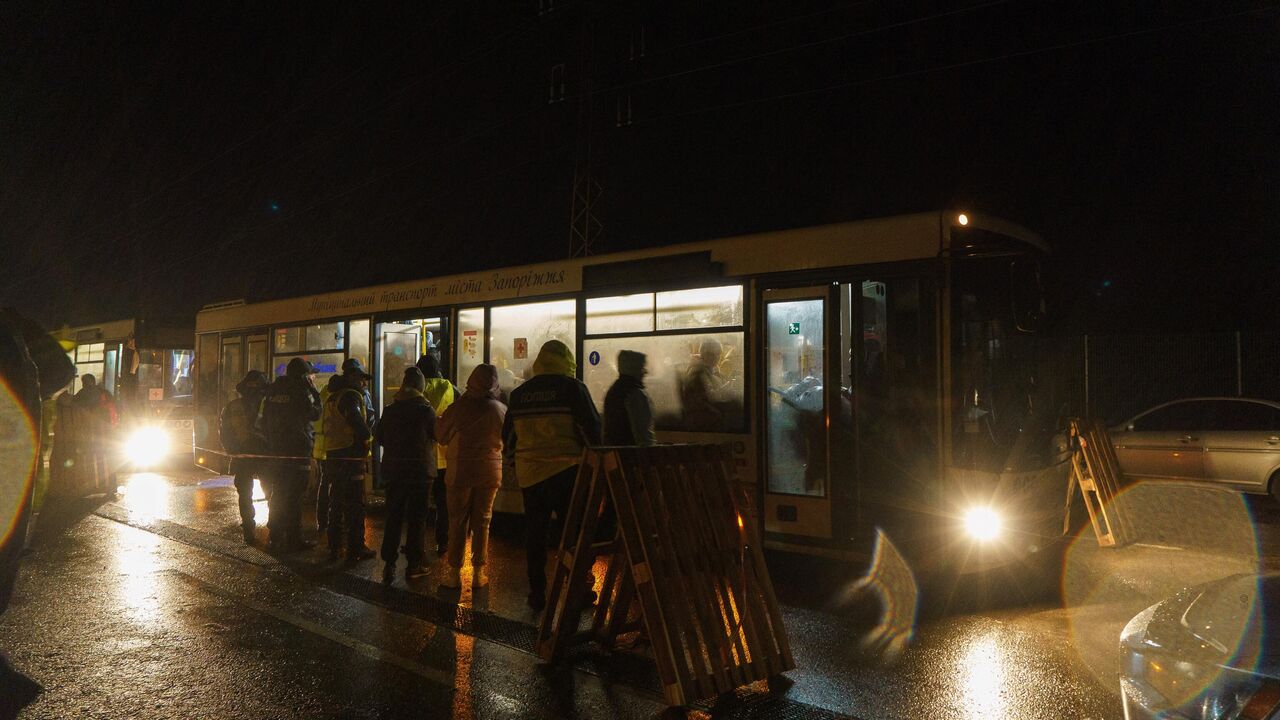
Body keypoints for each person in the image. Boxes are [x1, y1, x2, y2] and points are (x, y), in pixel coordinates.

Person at [503, 340, 601, 610]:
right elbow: (592, 431)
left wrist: (518, 462)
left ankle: (537, 593)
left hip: (531, 475)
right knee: (575, 533)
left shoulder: (520, 394)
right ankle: (578, 589)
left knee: (535, 534)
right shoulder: (573, 389)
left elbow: (509, 438)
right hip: (568, 473)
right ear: (566, 360)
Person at [435, 364, 506, 589]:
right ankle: (479, 573)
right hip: (490, 472)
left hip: (459, 473)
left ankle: (454, 574)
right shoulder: (501, 410)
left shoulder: (458, 408)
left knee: (457, 521)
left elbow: (440, 436)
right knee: (483, 521)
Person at [374, 367, 436, 583]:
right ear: (421, 387)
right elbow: (437, 435)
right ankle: (414, 564)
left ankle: (389, 565)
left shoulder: (390, 410)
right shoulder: (426, 410)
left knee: (393, 517)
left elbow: (379, 436)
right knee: (418, 519)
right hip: (420, 472)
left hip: (395, 471)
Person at [261, 357, 322, 552]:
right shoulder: (300, 391)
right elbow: (315, 413)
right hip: (297, 451)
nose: (311, 378)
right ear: (303, 376)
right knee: (295, 496)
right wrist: (313, 390)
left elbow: (263, 420)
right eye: (309, 375)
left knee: (278, 492)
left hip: (276, 451)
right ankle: (294, 538)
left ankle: (275, 535)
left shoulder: (272, 391)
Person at [322, 358, 376, 561]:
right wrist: (366, 438)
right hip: (349, 455)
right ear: (352, 377)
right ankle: (355, 547)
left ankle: (334, 544)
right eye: (361, 379)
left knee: (336, 500)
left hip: (335, 454)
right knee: (355, 503)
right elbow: (356, 422)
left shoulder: (333, 396)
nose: (364, 384)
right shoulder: (350, 397)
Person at [219, 370, 270, 544]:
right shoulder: (268, 405)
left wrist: (232, 451)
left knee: (245, 494)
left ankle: (249, 529)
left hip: (241, 456)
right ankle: (275, 530)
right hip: (265, 456)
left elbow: (224, 433)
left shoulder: (232, 407)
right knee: (271, 491)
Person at [416, 354, 457, 556]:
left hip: (421, 456)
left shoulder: (416, 388)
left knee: (420, 504)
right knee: (443, 503)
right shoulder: (448, 387)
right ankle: (443, 542)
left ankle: (418, 545)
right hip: (444, 455)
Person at [603, 350, 655, 447]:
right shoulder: (636, 394)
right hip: (631, 455)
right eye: (642, 367)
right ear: (634, 369)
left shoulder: (613, 391)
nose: (645, 372)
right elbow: (643, 434)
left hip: (613, 456)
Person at [680, 337, 732, 432]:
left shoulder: (711, 370)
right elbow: (704, 400)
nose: (716, 358)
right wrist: (719, 414)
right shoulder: (697, 372)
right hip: (702, 423)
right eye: (711, 354)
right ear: (703, 354)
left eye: (718, 354)